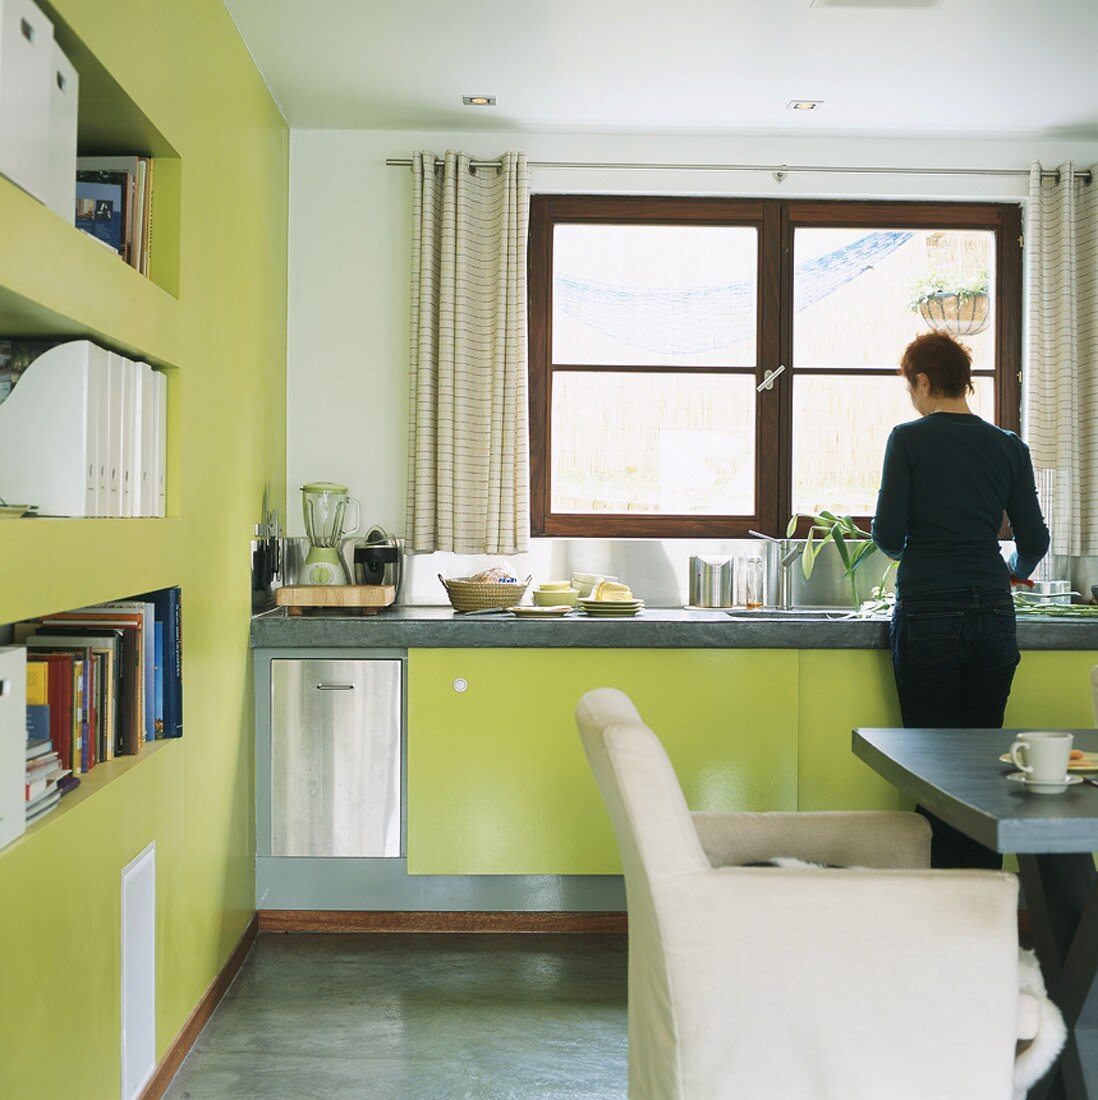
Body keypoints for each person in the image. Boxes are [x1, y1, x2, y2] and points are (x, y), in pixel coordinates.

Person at [871, 331, 1050, 870]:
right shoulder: (1009, 446)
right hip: (994, 613)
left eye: (912, 387)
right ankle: (982, 900)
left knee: (933, 766)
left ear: (923, 380)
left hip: (929, 610)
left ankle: (938, 908)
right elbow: (1034, 541)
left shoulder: (908, 439)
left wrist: (916, 551)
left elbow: (887, 535)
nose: (913, 398)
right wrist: (1011, 573)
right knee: (981, 765)